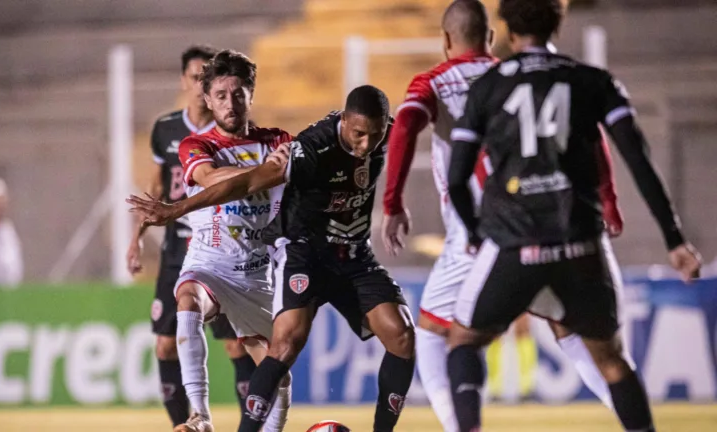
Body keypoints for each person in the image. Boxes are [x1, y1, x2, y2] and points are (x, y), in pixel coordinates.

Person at [445, 1, 702, 431]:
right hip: (581, 243)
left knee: (463, 342)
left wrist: (475, 232)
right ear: (558, 25)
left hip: (512, 243)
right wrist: (674, 239)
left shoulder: (487, 87)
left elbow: (456, 179)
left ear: (507, 30)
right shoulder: (592, 81)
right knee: (612, 360)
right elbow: (639, 161)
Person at [382, 1, 626, 426]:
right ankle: (633, 416)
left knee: (434, 335)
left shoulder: (435, 81)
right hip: (546, 225)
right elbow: (592, 134)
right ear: (491, 38)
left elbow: (404, 124)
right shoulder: (513, 79)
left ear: (444, 41)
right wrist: (608, 199)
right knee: (574, 334)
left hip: (477, 235)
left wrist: (392, 203)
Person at [128, 85, 416, 432]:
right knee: (285, 344)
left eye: (375, 134)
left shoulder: (387, 133)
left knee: (402, 336)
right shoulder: (311, 146)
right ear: (344, 121)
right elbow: (247, 183)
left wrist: (394, 204)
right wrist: (177, 209)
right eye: (358, 134)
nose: (366, 145)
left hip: (354, 254)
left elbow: (410, 137)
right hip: (304, 251)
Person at [144, 49, 293, 432]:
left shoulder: (277, 139)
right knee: (187, 300)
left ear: (251, 93)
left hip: (256, 275)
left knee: (278, 375)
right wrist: (264, 172)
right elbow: (211, 179)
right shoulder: (196, 145)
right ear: (207, 99)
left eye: (238, 93)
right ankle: (200, 415)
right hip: (208, 262)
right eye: (221, 95)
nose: (230, 102)